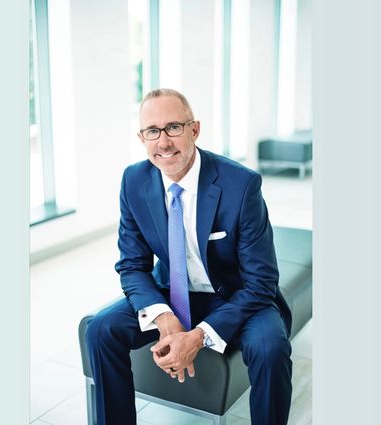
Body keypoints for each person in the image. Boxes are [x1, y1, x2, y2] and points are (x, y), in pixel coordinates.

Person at [86, 88, 293, 425]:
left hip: (238, 296)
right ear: (142, 138)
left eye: (173, 128)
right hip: (171, 292)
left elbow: (262, 282)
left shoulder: (241, 185)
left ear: (194, 129)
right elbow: (132, 266)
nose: (163, 142)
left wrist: (197, 337)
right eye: (152, 131)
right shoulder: (133, 180)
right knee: (101, 329)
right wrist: (165, 318)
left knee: (270, 348)